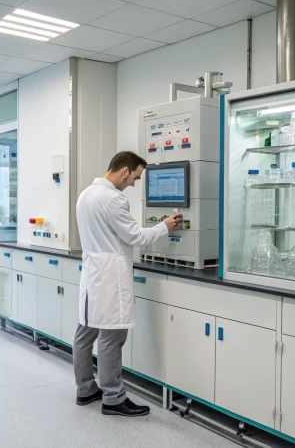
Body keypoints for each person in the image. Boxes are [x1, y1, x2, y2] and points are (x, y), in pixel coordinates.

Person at [73, 151, 182, 417]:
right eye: (135, 177)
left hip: (92, 276)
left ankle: (85, 388)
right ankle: (113, 397)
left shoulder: (86, 194)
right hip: (110, 279)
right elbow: (135, 236)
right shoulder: (113, 200)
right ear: (124, 170)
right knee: (112, 337)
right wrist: (164, 226)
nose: (133, 183)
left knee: (84, 334)